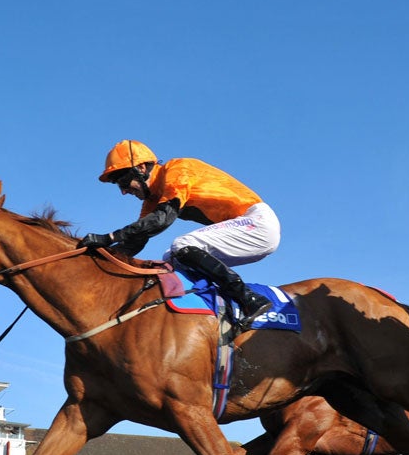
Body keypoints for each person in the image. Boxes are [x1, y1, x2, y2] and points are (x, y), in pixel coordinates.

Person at [79, 140, 280, 330]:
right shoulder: (152, 201)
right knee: (171, 261)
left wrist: (109, 237)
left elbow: (162, 219)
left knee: (182, 244)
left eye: (122, 181)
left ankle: (250, 300)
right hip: (243, 230)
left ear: (140, 169)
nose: (123, 191)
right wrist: (99, 259)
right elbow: (136, 240)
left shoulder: (177, 169)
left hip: (257, 223)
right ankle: (216, 315)